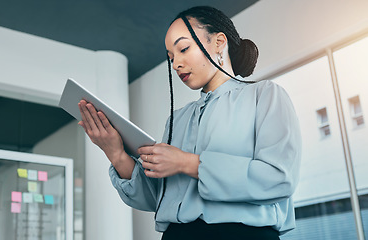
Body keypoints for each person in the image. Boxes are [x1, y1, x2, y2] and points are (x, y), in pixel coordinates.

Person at [78, 5, 301, 240]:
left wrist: (187, 163)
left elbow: (278, 178)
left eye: (183, 48)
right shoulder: (178, 119)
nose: (175, 64)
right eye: (171, 58)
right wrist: (116, 154)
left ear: (219, 42)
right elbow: (158, 199)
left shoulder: (265, 95)